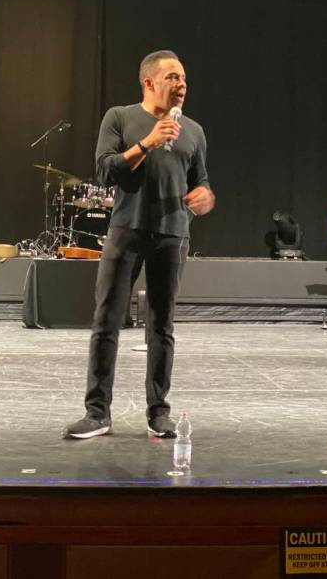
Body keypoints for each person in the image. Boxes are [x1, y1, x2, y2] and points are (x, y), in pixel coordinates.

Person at [64, 50, 215, 439]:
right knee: (106, 322)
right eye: (172, 78)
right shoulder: (120, 117)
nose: (182, 85)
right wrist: (147, 143)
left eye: (184, 78)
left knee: (161, 326)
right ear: (149, 82)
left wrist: (204, 196)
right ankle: (97, 413)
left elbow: (202, 181)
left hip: (172, 235)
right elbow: (104, 169)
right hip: (126, 231)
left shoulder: (194, 131)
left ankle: (158, 412)